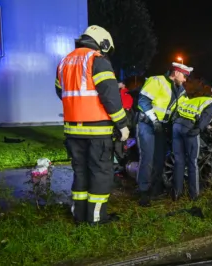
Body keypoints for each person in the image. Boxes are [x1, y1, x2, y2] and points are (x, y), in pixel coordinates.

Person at [55, 25, 130, 225]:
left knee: (80, 172)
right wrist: (122, 124)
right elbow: (111, 97)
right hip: (97, 131)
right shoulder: (97, 60)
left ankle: (79, 216)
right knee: (100, 173)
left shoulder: (64, 62)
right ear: (102, 42)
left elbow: (60, 92)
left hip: (72, 130)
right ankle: (96, 218)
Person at [136, 62, 193, 207]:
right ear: (177, 73)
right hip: (147, 125)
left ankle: (155, 190)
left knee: (159, 159)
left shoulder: (180, 90)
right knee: (147, 159)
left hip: (161, 128)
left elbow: (186, 108)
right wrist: (154, 120)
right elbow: (143, 101)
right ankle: (143, 193)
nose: (186, 80)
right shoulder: (157, 81)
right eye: (185, 76)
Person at [171, 82, 212, 201]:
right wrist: (199, 128)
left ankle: (176, 194)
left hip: (176, 126)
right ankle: (194, 195)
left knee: (179, 161)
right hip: (190, 129)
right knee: (193, 162)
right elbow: (206, 117)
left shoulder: (199, 99)